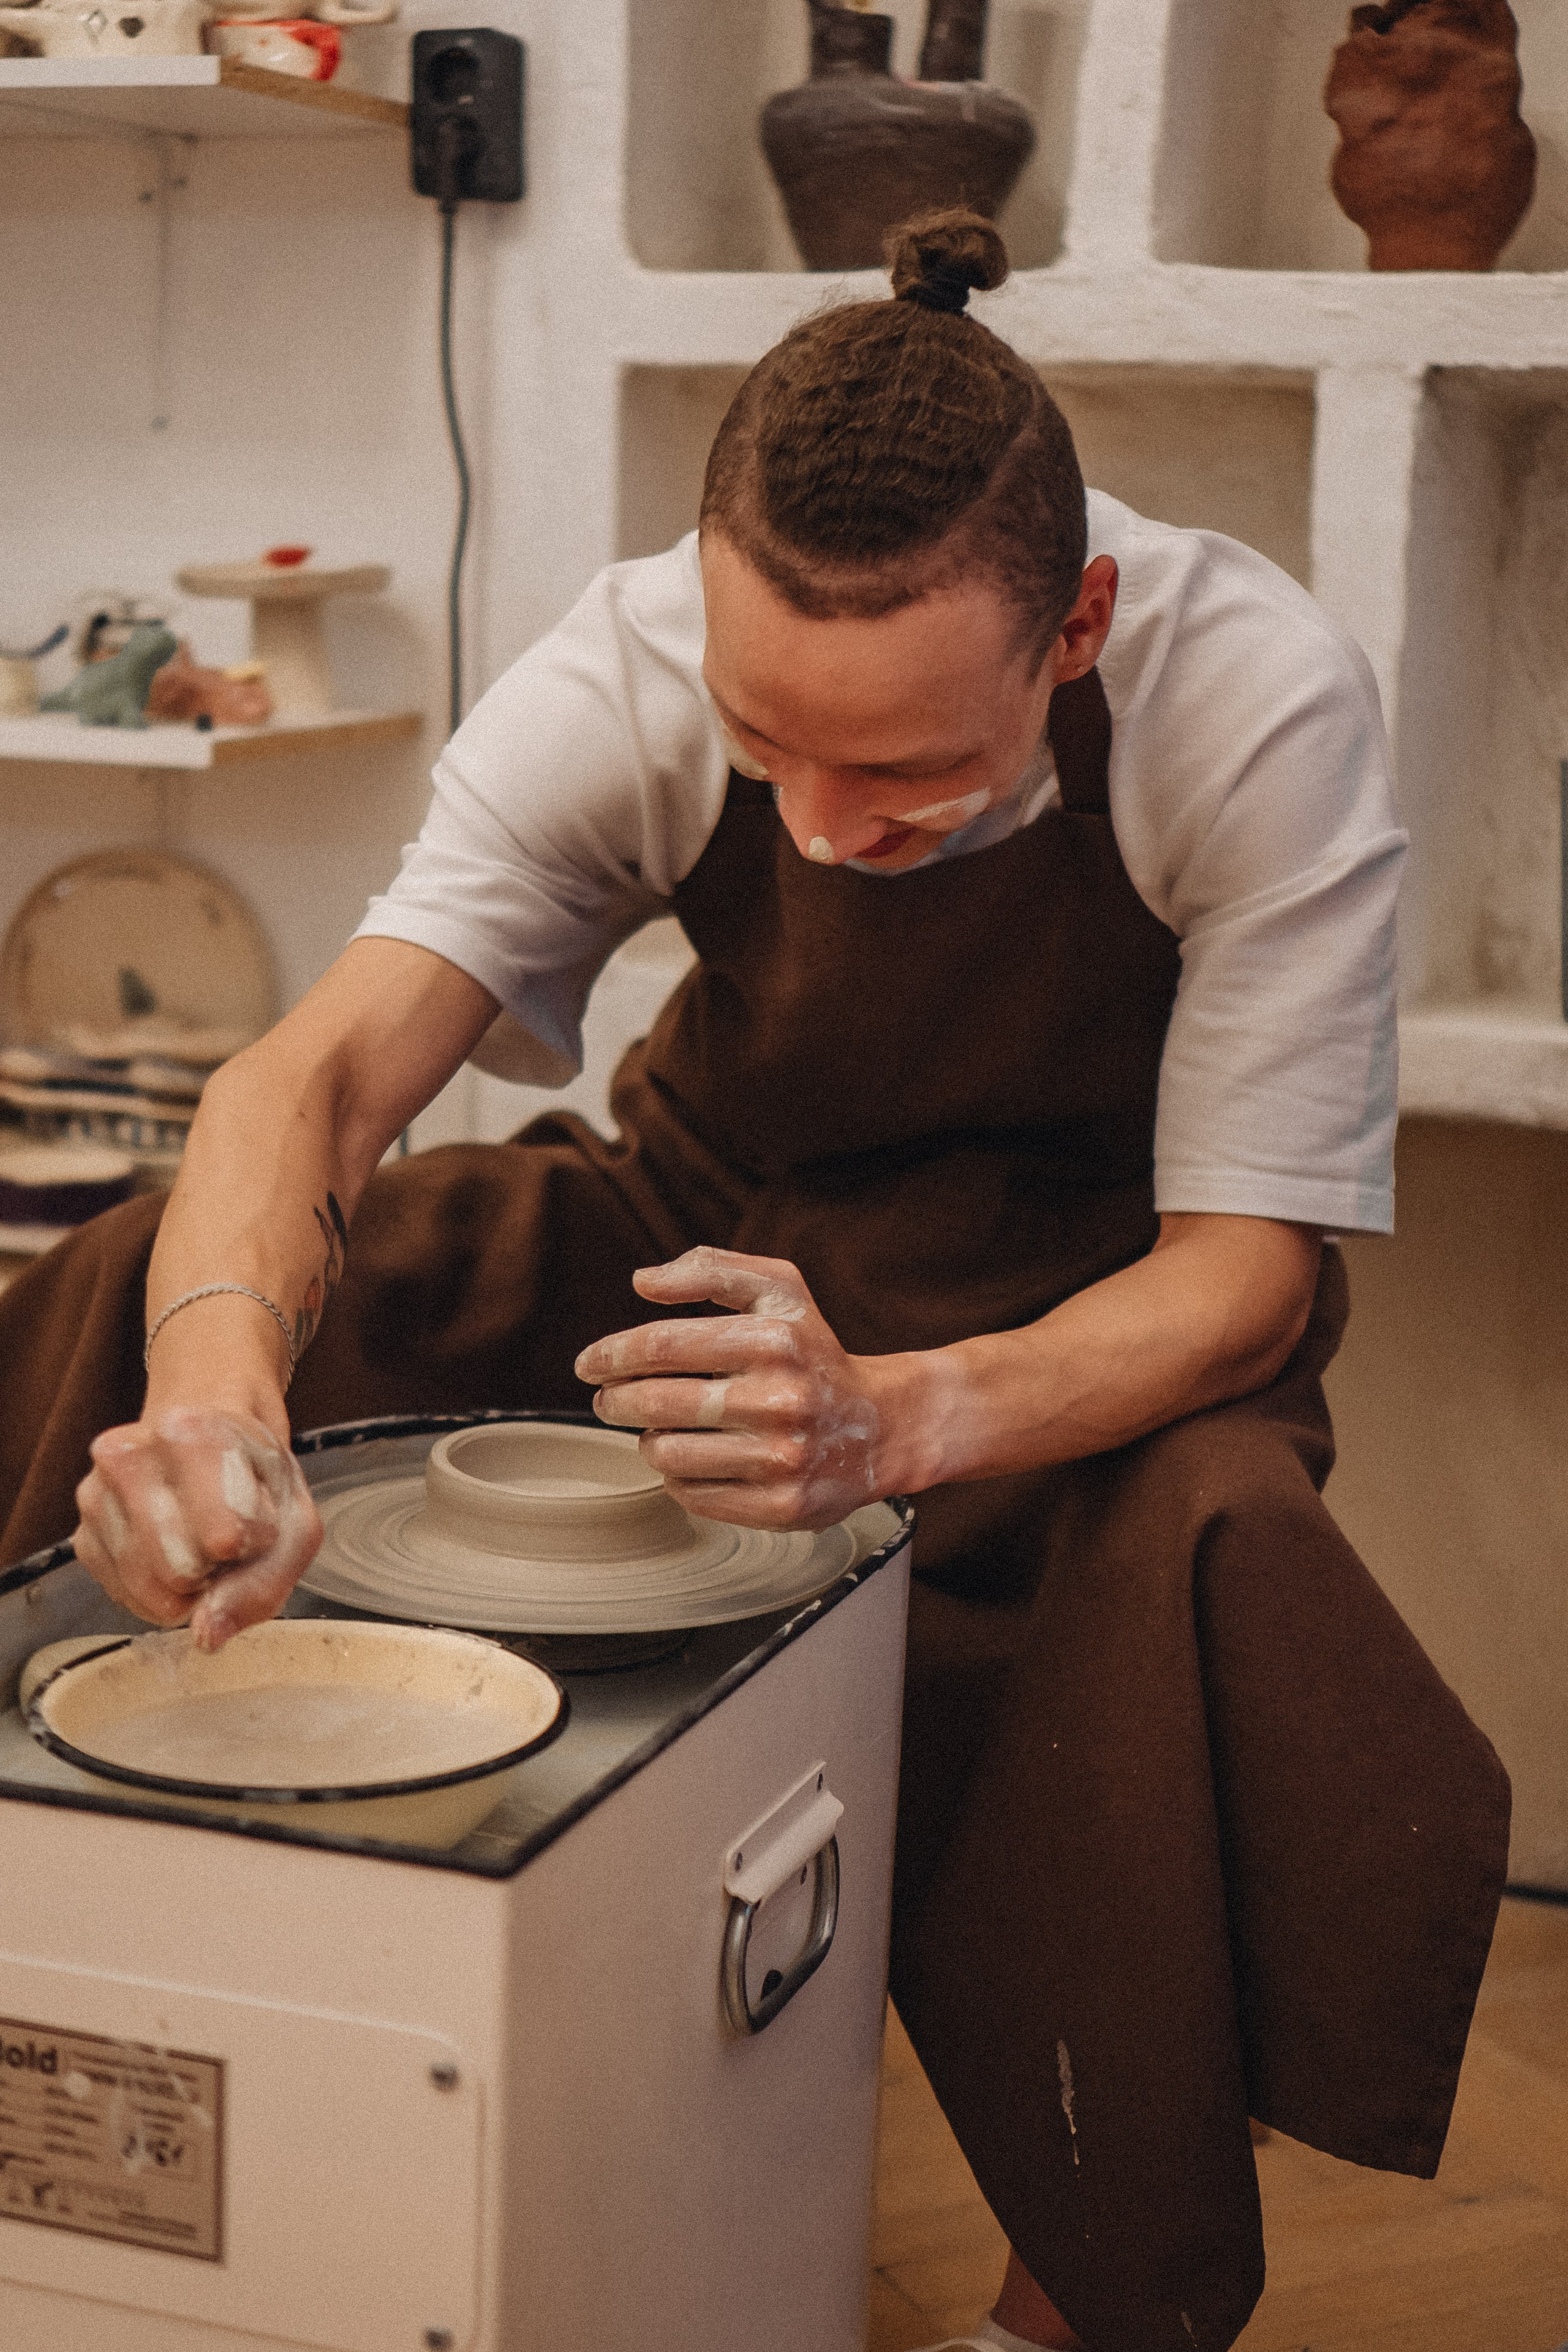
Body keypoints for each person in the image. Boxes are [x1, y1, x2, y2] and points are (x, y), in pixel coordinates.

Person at [0, 213, 1509, 2352]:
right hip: (717, 1226)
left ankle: (1081, 2292)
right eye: (762, 741)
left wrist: (896, 1417)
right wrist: (220, 1387)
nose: (811, 824)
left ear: (1073, 628)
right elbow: (314, 1077)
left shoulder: (1249, 698)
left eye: (901, 772)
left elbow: (1249, 1278)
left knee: (1215, 1554)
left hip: (1085, 1320)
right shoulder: (624, 670)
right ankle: (113, 1972)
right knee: (162, 1272)